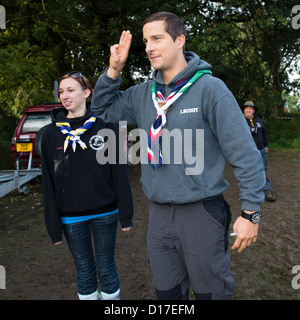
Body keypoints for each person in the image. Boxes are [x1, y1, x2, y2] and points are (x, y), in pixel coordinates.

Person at [91, 12, 265, 300]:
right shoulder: (143, 94)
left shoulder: (211, 89)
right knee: (168, 295)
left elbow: (246, 154)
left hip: (201, 212)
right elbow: (101, 108)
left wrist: (252, 213)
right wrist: (113, 70)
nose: (148, 47)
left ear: (180, 40)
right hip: (158, 215)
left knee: (212, 294)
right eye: (146, 40)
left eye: (157, 38)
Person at [41, 71, 133, 300]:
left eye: (71, 90)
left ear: (86, 93)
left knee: (106, 268)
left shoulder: (108, 127)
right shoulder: (50, 134)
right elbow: (48, 183)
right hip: (71, 217)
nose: (64, 95)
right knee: (84, 272)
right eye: (61, 91)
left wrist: (126, 214)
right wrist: (53, 227)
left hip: (105, 213)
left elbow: (119, 173)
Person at [242, 101, 277, 202]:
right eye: (247, 108)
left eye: (251, 108)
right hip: (247, 151)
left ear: (253, 110)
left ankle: (266, 191)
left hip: (261, 150)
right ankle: (250, 193)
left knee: (263, 170)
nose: (248, 110)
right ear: (244, 110)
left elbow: (264, 133)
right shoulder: (240, 121)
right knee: (248, 171)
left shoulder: (258, 120)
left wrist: (266, 145)